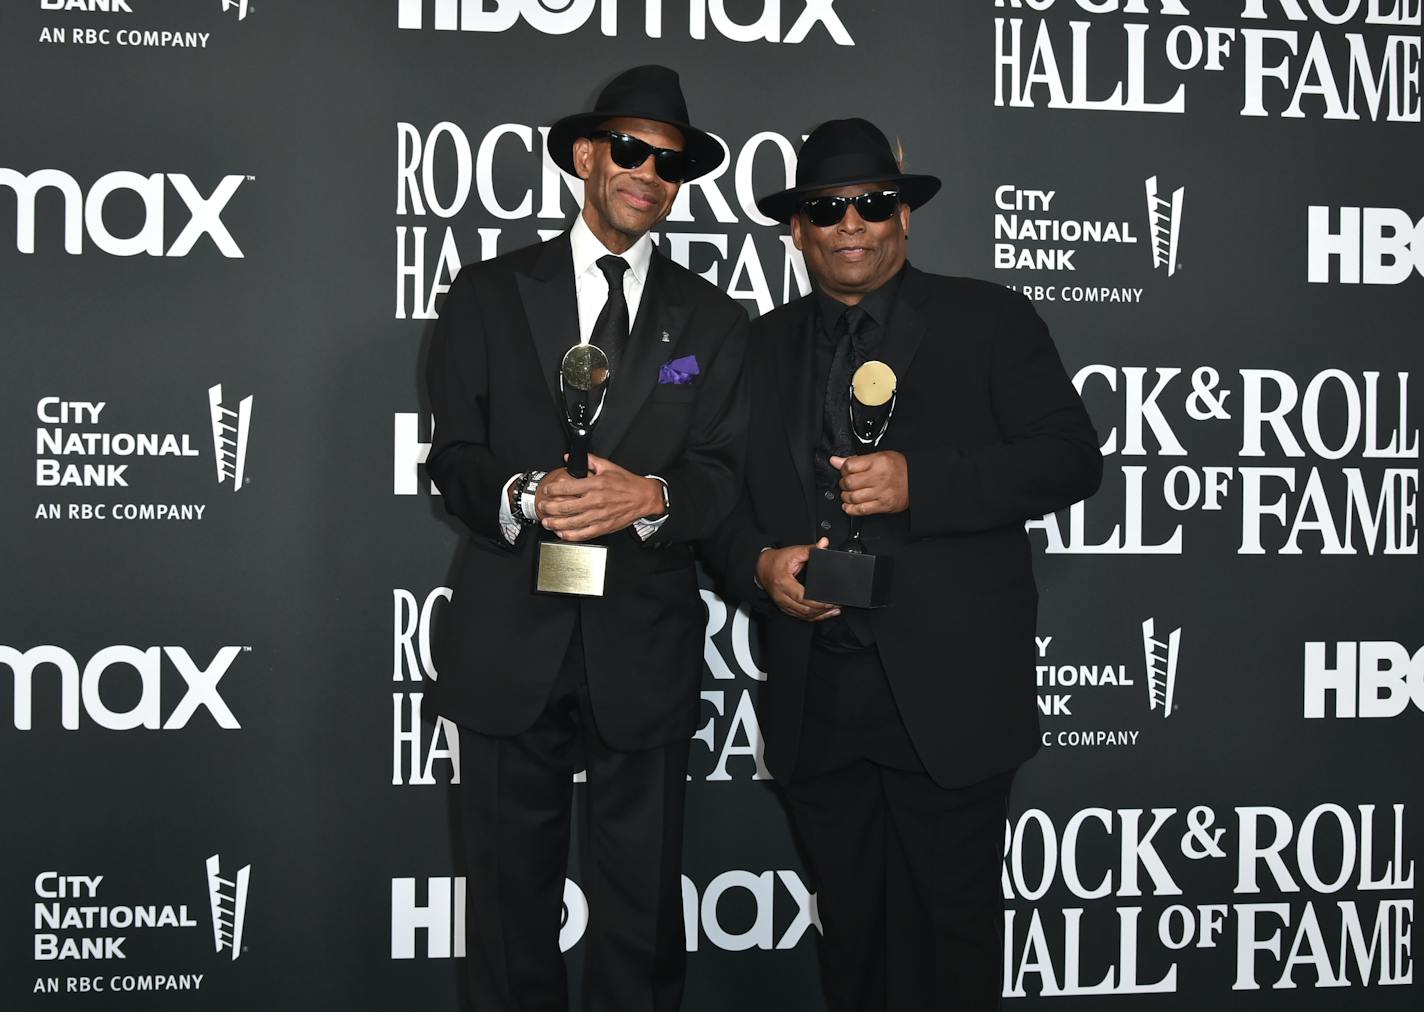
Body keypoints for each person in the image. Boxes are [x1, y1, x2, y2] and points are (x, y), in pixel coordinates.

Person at [704, 118, 1102, 1011]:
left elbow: (1071, 459)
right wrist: (759, 565)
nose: (852, 223)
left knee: (949, 947)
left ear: (905, 218)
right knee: (853, 940)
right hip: (817, 698)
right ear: (797, 229)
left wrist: (922, 482)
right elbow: (716, 504)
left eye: (872, 204)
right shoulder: (754, 349)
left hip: (949, 699)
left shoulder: (989, 317)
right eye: (827, 208)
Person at [424, 65, 749, 1012]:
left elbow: (722, 476)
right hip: (507, 634)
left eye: (673, 161)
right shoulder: (487, 293)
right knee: (505, 911)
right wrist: (526, 495)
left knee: (643, 913)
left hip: (641, 642)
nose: (651, 172)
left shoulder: (713, 324)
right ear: (585, 155)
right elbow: (456, 456)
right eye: (632, 149)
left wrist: (647, 496)